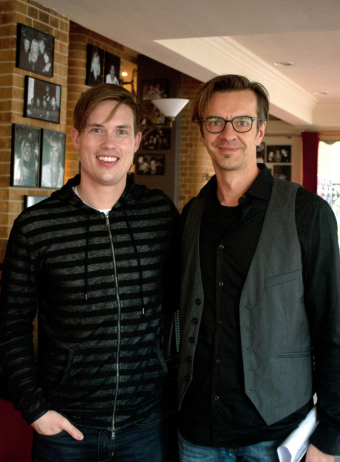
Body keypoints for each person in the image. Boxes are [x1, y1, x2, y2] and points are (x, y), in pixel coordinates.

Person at [0, 83, 178, 462]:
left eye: (121, 131)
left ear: (137, 141)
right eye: (97, 129)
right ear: (77, 138)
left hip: (146, 430)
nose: (108, 143)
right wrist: (35, 410)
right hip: (65, 431)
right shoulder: (37, 226)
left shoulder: (160, 216)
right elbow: (9, 325)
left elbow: (182, 307)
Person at [177, 74, 340, 462]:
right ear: (202, 131)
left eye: (242, 122)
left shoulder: (307, 213)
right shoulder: (191, 215)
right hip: (198, 434)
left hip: (277, 436)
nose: (227, 133)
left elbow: (332, 329)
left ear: (261, 130)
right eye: (215, 121)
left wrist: (331, 435)